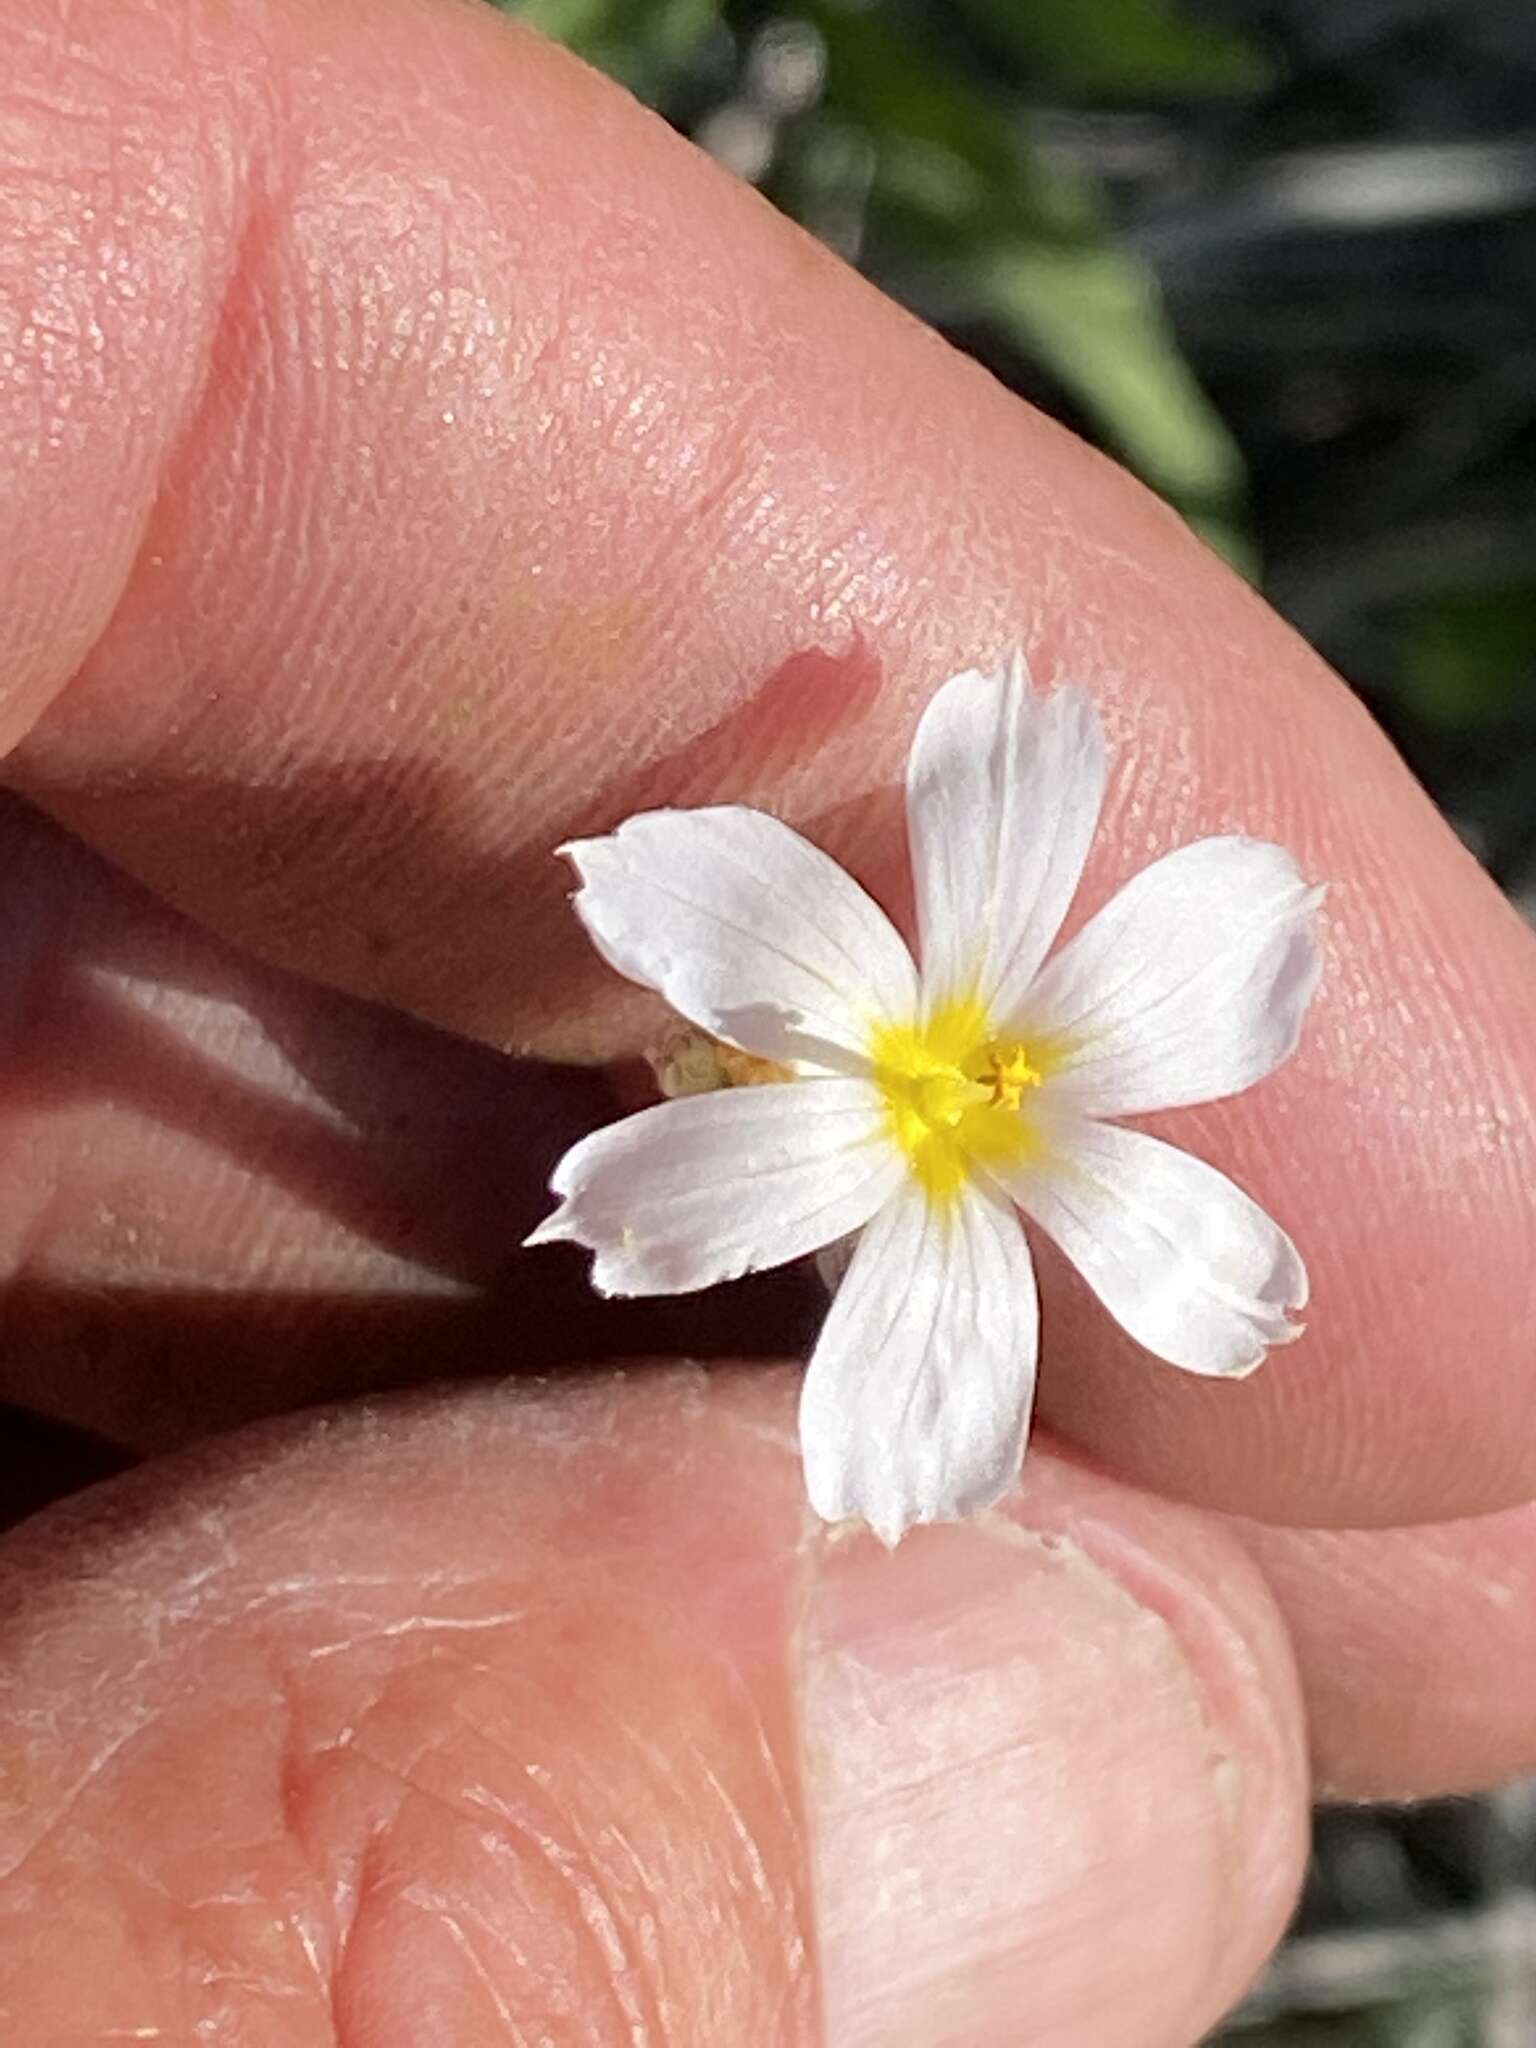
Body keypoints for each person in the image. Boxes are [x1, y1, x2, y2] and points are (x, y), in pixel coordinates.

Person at [2, 0, 1535, 2039]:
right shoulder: (946, 1053)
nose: (991, 1076)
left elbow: (1188, 1241)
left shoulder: (1024, 1106)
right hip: (830, 1116)